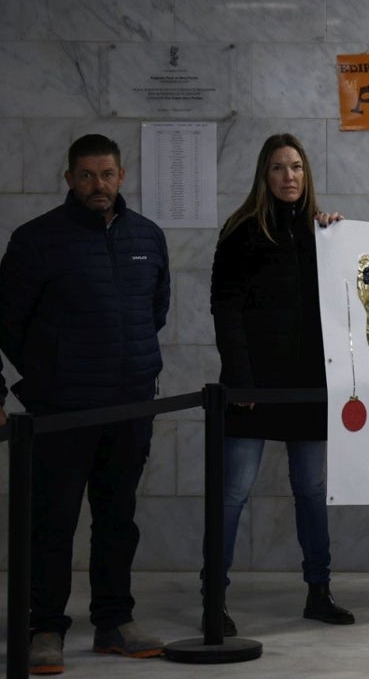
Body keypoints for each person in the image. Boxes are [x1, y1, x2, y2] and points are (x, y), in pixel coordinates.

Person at [0, 134, 170, 674]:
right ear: (69, 178)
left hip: (129, 407)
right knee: (52, 522)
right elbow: (7, 323)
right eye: (88, 176)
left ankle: (114, 622)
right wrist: (52, 368)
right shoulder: (36, 240)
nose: (99, 185)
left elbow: (155, 310)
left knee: (118, 518)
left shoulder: (148, 236)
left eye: (108, 174)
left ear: (123, 176)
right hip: (62, 408)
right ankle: (44, 627)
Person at [211, 133, 354, 636]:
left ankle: (319, 591)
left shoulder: (323, 232)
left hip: (309, 386)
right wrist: (241, 380)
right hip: (253, 386)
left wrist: (341, 236)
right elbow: (225, 313)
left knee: (312, 491)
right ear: (263, 175)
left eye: (296, 167)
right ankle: (214, 598)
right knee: (233, 493)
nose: (289, 177)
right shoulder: (241, 231)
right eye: (278, 168)